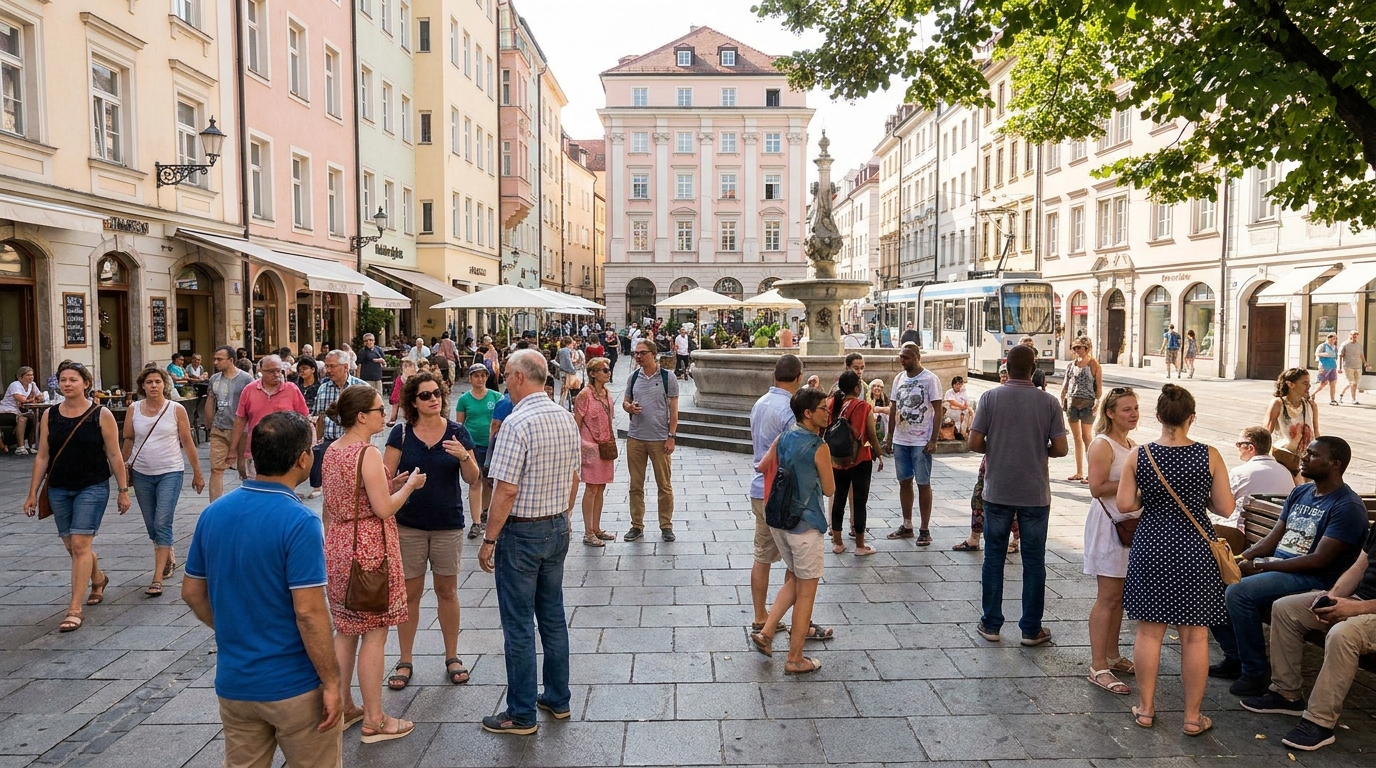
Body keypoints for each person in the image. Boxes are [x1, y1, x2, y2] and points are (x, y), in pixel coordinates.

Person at [181, 412, 344, 768]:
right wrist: (332, 681)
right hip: (293, 684)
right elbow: (309, 611)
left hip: (236, 683)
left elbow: (192, 592)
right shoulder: (298, 521)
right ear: (303, 459)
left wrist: (232, 629)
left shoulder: (215, 513)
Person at [1116, 384, 1234, 736]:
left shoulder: (1141, 455)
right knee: (1195, 636)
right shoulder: (1209, 455)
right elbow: (1226, 507)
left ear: (1158, 417)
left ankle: (1147, 709)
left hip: (1152, 546)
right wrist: (1202, 501)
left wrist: (1146, 497)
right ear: (1191, 418)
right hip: (1196, 550)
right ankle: (1192, 717)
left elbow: (1125, 505)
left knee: (1149, 632)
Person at [1209, 436, 1369, 697]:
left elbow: (1319, 560)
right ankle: (1235, 658)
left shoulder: (1347, 506)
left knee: (1240, 593)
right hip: (1280, 568)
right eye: (1306, 452)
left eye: (1313, 455)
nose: (1303, 458)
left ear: (1335, 464)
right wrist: (1240, 559)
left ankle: (1255, 672)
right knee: (1213, 578)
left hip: (1313, 578)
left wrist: (1264, 567)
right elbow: (1273, 538)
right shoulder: (1301, 492)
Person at [476, 349, 581, 735]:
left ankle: (520, 713)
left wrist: (489, 539)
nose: (504, 381)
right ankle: (558, 697)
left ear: (520, 377)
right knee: (552, 617)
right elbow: (575, 475)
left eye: (506, 375)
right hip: (556, 526)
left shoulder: (517, 423)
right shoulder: (565, 417)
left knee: (518, 624)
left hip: (522, 532)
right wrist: (565, 516)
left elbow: (504, 489)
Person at [323, 385, 425, 743]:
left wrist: (390, 482)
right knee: (375, 633)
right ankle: (375, 720)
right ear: (362, 416)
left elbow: (345, 498)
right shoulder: (365, 452)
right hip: (368, 547)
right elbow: (383, 508)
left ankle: (343, 706)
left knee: (346, 630)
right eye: (381, 410)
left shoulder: (333, 451)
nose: (386, 414)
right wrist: (409, 485)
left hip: (338, 543)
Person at [383, 372, 480, 691]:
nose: (433, 398)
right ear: (413, 401)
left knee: (447, 591)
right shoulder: (401, 435)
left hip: (447, 524)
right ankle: (405, 659)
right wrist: (401, 484)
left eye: (437, 393)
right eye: (425, 395)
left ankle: (452, 656)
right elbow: (385, 480)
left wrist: (464, 455)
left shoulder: (456, 432)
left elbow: (472, 478)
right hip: (409, 525)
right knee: (409, 594)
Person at [1244, 519, 1376, 751]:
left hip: (1366, 610)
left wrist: (1355, 608)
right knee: (1286, 609)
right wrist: (1333, 598)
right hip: (1358, 601)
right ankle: (1286, 693)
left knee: (1343, 633)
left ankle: (1319, 721)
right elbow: (1359, 567)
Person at [969, 345, 1068, 646]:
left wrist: (999, 447)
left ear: (1006, 366)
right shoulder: (1049, 403)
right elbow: (1061, 449)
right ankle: (1030, 629)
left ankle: (991, 624)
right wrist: (1040, 451)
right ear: (1033, 367)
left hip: (997, 490)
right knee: (1034, 560)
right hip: (1035, 493)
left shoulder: (989, 397)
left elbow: (974, 442)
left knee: (993, 557)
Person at [22, 360, 131, 632]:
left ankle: (74, 609)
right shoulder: (50, 415)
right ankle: (99, 578)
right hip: (59, 487)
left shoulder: (100, 414)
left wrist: (123, 489)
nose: (67, 384)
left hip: (91, 486)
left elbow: (114, 454)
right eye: (63, 380)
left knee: (81, 545)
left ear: (86, 383)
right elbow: (43, 455)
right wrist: (32, 493)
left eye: (73, 379)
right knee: (73, 546)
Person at [748, 386, 836, 674]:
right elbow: (829, 488)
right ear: (808, 413)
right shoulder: (818, 447)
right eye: (823, 408)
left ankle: (767, 631)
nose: (828, 412)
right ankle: (795, 658)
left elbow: (763, 465)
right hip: (805, 525)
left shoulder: (783, 437)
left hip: (779, 520)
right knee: (807, 591)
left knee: (796, 581)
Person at [122, 367, 203, 598]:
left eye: (158, 381)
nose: (154, 386)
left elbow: (188, 442)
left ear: (164, 385)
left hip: (171, 471)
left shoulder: (175, 409)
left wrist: (197, 473)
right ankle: (167, 553)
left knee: (162, 521)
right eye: (149, 382)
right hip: (141, 473)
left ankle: (157, 578)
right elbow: (128, 441)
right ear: (143, 386)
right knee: (151, 524)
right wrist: (120, 470)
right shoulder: (133, 409)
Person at [1082, 387, 1141, 695]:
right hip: (1109, 527)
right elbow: (1096, 487)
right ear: (1110, 413)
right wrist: (1135, 484)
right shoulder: (1102, 444)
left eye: (1135, 408)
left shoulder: (1131, 443)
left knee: (1118, 596)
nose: (1133, 413)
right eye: (1126, 409)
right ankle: (1097, 665)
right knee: (1107, 597)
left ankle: (1113, 655)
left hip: (1128, 526)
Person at [748, 355, 810, 635]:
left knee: (762, 556)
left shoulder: (760, 403)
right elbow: (794, 455)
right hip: (783, 494)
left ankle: (760, 615)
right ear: (798, 378)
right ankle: (797, 621)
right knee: (796, 563)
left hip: (760, 489)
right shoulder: (789, 410)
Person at [953, 366, 1021, 555]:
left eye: (1007, 376)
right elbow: (976, 438)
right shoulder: (993, 398)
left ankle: (1015, 539)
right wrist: (991, 451)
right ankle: (974, 538)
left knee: (1011, 502)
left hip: (1013, 461)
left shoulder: (1022, 401)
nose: (1003, 380)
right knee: (979, 496)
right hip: (992, 459)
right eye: (1001, 376)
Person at [885, 343, 943, 546]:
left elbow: (938, 410)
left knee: (923, 483)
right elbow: (893, 408)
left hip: (921, 440)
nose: (902, 360)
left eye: (907, 357)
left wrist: (933, 439)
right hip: (901, 439)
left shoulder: (930, 379)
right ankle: (907, 524)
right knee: (904, 481)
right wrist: (889, 436)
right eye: (901, 356)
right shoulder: (899, 378)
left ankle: (925, 529)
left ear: (917, 357)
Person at [622, 338, 679, 542]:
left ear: (653, 354)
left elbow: (674, 410)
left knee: (664, 484)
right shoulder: (633, 377)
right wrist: (628, 408)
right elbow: (625, 401)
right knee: (635, 485)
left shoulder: (667, 377)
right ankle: (636, 525)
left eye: (642, 353)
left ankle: (666, 525)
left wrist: (671, 436)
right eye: (636, 353)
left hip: (659, 437)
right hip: (635, 437)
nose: (638, 356)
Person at [828, 370, 884, 556]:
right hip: (860, 458)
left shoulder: (833, 404)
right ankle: (860, 545)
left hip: (837, 460)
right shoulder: (863, 406)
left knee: (839, 498)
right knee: (859, 501)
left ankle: (837, 542)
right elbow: (871, 433)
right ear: (856, 387)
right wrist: (879, 452)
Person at [229, 355, 310, 479]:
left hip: (286, 450)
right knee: (258, 488)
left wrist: (307, 446)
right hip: (257, 451)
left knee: (281, 487)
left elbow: (304, 418)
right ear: (260, 371)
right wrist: (233, 449)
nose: (276, 374)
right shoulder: (249, 390)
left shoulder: (291, 390)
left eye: (279, 370)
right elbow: (240, 419)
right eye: (271, 371)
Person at [310, 351, 366, 500]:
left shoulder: (361, 388)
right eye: (327, 366)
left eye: (332, 366)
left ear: (346, 367)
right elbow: (319, 416)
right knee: (331, 493)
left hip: (354, 446)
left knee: (352, 490)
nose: (328, 370)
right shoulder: (323, 388)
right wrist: (318, 441)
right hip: (330, 444)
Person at [573, 357, 617, 547]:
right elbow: (577, 421)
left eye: (608, 369)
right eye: (603, 370)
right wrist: (579, 446)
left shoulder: (606, 393)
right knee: (591, 488)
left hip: (605, 445)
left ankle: (596, 528)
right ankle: (588, 532)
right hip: (590, 446)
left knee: (601, 487)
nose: (607, 372)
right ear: (592, 373)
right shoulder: (585, 394)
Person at [1219, 427, 1295, 530]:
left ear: (1250, 448)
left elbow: (1223, 507)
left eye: (1239, 444)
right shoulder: (1286, 472)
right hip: (1276, 532)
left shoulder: (1239, 473)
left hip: (1246, 533)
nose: (1238, 448)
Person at [455, 364, 500, 540]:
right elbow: (459, 424)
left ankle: (484, 512)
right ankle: (475, 521)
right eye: (476, 376)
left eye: (482, 376)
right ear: (470, 378)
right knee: (475, 480)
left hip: (491, 446)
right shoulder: (464, 399)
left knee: (489, 481)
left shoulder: (496, 397)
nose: (479, 379)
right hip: (471, 445)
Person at [205, 346, 254, 501]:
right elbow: (211, 400)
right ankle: (214, 507)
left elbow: (253, 403)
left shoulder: (246, 379)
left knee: (243, 468)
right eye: (215, 359)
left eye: (220, 359)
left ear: (231, 360)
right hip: (219, 428)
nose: (215, 362)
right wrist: (210, 424)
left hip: (241, 429)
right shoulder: (214, 379)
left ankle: (249, 501)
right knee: (216, 469)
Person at [1060, 336, 1103, 483]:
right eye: (1075, 348)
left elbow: (1098, 386)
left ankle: (1092, 473)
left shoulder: (1093, 365)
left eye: (1079, 347)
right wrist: (1063, 397)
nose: (1076, 350)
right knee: (1076, 438)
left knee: (1087, 437)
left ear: (1087, 348)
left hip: (1087, 403)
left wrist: (1097, 401)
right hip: (1072, 401)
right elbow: (1066, 382)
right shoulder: (1071, 365)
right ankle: (1079, 472)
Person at [1264, 367, 1319, 477]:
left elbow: (1316, 433)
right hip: (1283, 458)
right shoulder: (1278, 404)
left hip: (1305, 460)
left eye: (1309, 383)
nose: (1309, 386)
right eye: (1304, 383)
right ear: (1290, 384)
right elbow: (1265, 433)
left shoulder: (1311, 405)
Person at [1, 366, 45, 454]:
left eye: (32, 375)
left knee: (36, 418)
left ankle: (31, 444)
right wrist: (33, 399)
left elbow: (41, 397)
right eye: (28, 375)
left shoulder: (32, 384)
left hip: (21, 410)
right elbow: (21, 399)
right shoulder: (15, 385)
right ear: (21, 377)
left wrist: (34, 399)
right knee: (22, 419)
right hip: (6, 411)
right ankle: (20, 447)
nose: (31, 377)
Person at [1337, 330, 1367, 405]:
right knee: (1352, 383)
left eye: (1356, 335)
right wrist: (1339, 367)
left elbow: (1361, 355)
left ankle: (1341, 394)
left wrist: (1365, 363)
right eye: (1353, 335)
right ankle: (1353, 399)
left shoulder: (1359, 345)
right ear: (1349, 335)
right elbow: (1340, 356)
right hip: (1348, 366)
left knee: (1354, 383)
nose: (1354, 336)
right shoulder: (1345, 344)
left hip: (1358, 366)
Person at [387, 359, 417, 426]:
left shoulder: (406, 375)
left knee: (399, 406)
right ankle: (393, 419)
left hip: (402, 393)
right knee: (396, 405)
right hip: (399, 393)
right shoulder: (403, 376)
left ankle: (394, 419)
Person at [1314, 332, 1339, 406]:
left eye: (1334, 339)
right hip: (1324, 366)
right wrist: (1325, 354)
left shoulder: (1335, 347)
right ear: (1328, 338)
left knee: (1333, 383)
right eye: (1331, 338)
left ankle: (1332, 399)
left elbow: (1335, 356)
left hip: (1332, 366)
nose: (1332, 340)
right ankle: (1312, 393)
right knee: (1323, 383)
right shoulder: (1323, 346)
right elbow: (1317, 354)